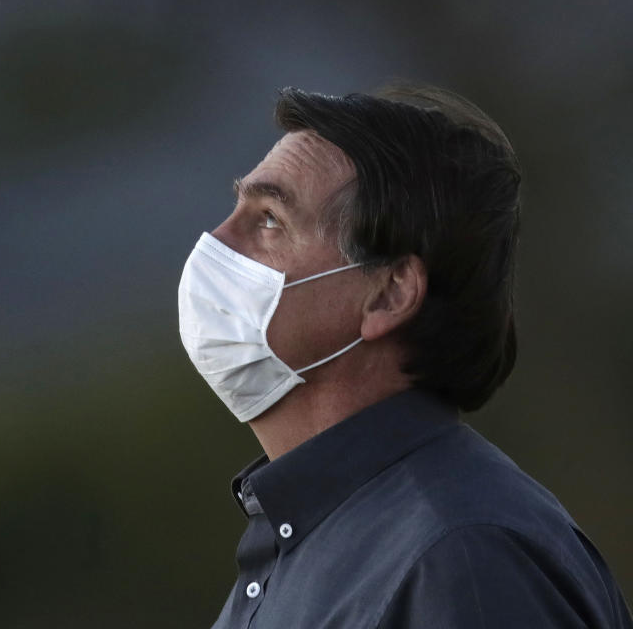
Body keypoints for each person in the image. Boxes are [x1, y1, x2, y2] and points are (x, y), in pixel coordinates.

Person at [176, 83, 632, 628]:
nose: (216, 243)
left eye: (270, 219)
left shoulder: (459, 558)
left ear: (389, 293)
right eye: (237, 210)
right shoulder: (306, 539)